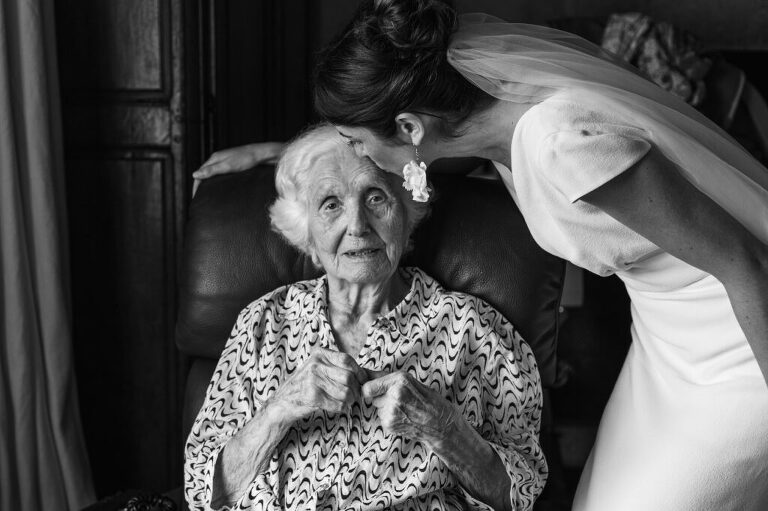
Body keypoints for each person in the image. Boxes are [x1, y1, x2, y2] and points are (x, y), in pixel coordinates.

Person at [192, 2, 768, 510]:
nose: (358, 215)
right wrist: (286, 158)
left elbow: (746, 262)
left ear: (410, 127)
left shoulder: (562, 147)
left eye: (361, 147)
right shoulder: (498, 132)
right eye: (332, 202)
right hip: (665, 336)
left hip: (739, 339)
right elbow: (409, 167)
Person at [184, 124, 548, 511]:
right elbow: (203, 490)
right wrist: (280, 408)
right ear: (306, 235)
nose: (357, 225)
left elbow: (519, 494)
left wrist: (444, 428)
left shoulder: (472, 329)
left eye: (376, 198)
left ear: (407, 217)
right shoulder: (263, 323)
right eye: (331, 205)